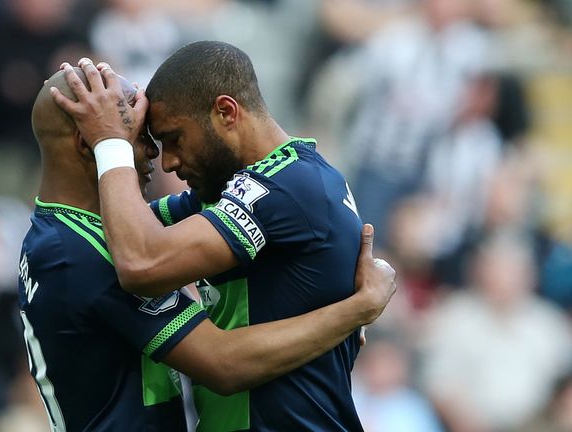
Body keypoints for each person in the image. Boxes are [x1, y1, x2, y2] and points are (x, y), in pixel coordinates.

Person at [23, 68, 396, 431]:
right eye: (136, 136)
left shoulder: (286, 186)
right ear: (90, 143)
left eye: (171, 138)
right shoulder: (79, 250)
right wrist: (356, 309)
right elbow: (222, 361)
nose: (159, 156)